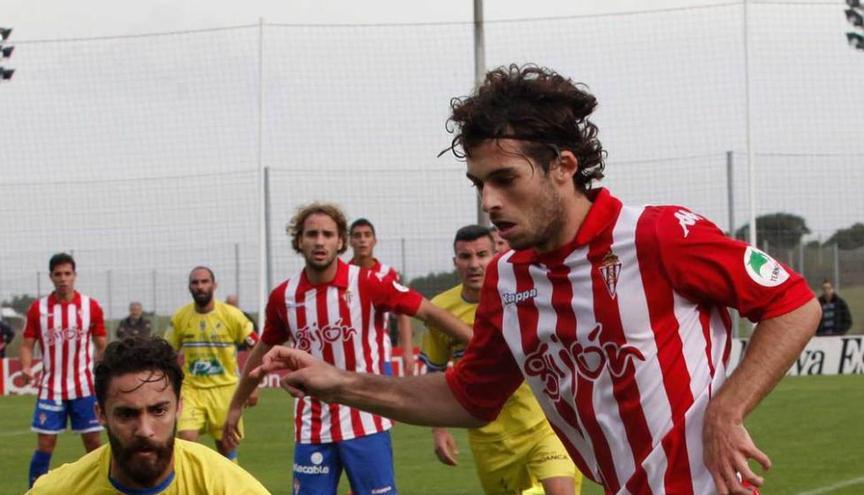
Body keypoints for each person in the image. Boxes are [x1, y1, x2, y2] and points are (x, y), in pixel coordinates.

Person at [251, 65, 821, 495]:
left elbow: (794, 304)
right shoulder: (508, 279)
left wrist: (728, 409)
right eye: (479, 183)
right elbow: (469, 397)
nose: (489, 201)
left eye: (505, 179)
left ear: (563, 167)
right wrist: (340, 382)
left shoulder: (656, 234)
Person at [222, 202, 472, 495]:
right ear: (299, 241)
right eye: (311, 234)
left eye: (327, 234)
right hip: (312, 424)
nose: (319, 241)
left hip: (367, 417)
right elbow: (262, 350)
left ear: (340, 241)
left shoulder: (368, 283)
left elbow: (429, 312)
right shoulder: (283, 297)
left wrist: (480, 344)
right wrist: (236, 404)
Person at [420, 224, 582, 495]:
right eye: (465, 257)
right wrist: (438, 430)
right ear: (455, 262)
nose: (474, 264)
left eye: (482, 254)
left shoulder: (526, 291)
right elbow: (433, 370)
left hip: (545, 422)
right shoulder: (441, 310)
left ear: (497, 253)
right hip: (490, 437)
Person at [26, 336, 269, 494]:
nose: (144, 429)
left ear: (179, 408)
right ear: (100, 415)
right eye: (126, 414)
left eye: (159, 410)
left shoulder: (224, 485)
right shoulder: (59, 489)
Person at [20, 252, 108, 487]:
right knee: (46, 444)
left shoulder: (91, 307)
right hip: (51, 388)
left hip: (84, 387)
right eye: (58, 274)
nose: (63, 278)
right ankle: (34, 489)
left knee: (92, 442)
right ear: (51, 277)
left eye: (67, 273)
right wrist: (27, 367)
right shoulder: (38, 309)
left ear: (74, 276)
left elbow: (102, 345)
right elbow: (27, 344)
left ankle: (100, 487)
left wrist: (103, 372)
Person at [166, 267, 258, 460]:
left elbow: (256, 346)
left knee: (226, 448)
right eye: (195, 282)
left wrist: (253, 386)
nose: (200, 286)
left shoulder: (232, 315)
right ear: (189, 287)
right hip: (191, 390)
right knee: (186, 442)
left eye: (205, 281)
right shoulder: (180, 317)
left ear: (214, 285)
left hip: (225, 391)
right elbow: (167, 353)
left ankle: (229, 487)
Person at [348, 218, 415, 376]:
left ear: (374, 240)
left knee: (384, 398)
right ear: (350, 241)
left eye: (367, 235)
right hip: (349, 352)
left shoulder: (388, 274)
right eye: (357, 236)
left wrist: (408, 350)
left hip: (380, 352)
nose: (362, 239)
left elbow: (402, 313)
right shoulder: (343, 274)